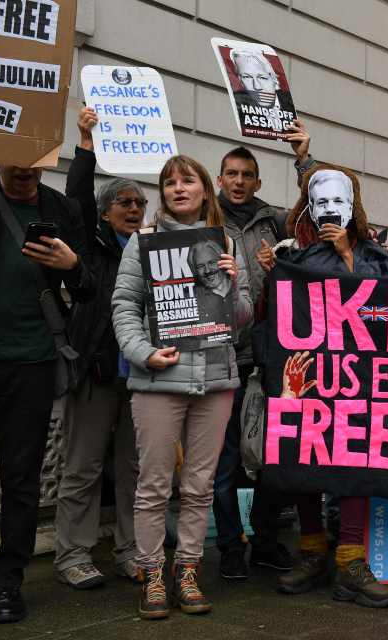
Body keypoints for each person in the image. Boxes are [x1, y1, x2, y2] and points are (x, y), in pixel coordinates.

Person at [112, 155, 252, 620]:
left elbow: (244, 317)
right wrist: (142, 353)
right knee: (153, 487)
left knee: (199, 486)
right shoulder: (143, 242)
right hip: (157, 380)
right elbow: (125, 306)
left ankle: (187, 570)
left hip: (215, 379)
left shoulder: (226, 242)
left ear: (204, 190)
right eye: (169, 183)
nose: (177, 188)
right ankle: (153, 572)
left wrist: (232, 283)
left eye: (186, 180)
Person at [257, 164, 388, 608]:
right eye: (322, 203)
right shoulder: (293, 260)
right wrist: (269, 278)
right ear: (310, 209)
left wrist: (350, 261)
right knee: (305, 459)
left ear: (352, 207)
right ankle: (313, 552)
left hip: (360, 381)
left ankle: (352, 560)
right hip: (309, 378)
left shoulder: (376, 256)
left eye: (340, 201)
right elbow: (273, 320)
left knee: (357, 461)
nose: (331, 211)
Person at [0, 143, 95, 623]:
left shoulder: (60, 209)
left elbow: (88, 286)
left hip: (33, 365)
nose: (23, 169)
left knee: (21, 481)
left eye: (33, 162)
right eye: (14, 160)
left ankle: (8, 584)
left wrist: (71, 266)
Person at [212, 131, 312, 582]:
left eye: (246, 175)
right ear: (219, 178)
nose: (238, 181)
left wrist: (303, 158)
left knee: (273, 457)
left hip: (270, 356)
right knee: (225, 462)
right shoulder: (205, 220)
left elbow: (313, 213)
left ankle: (267, 540)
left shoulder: (273, 220)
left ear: (257, 181)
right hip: (222, 357)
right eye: (231, 174)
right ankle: (232, 548)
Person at [53, 108, 144, 590]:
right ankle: (73, 554)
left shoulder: (151, 252)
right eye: (124, 202)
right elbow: (77, 200)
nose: (133, 209)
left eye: (139, 203)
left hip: (142, 377)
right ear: (107, 212)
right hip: (95, 372)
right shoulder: (89, 245)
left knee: (134, 470)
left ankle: (131, 550)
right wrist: (85, 141)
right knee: (82, 468)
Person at [230, 49, 296, 115]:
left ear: (274, 79)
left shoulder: (290, 105)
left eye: (262, 78)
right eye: (247, 77)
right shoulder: (241, 110)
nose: (256, 86)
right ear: (241, 81)